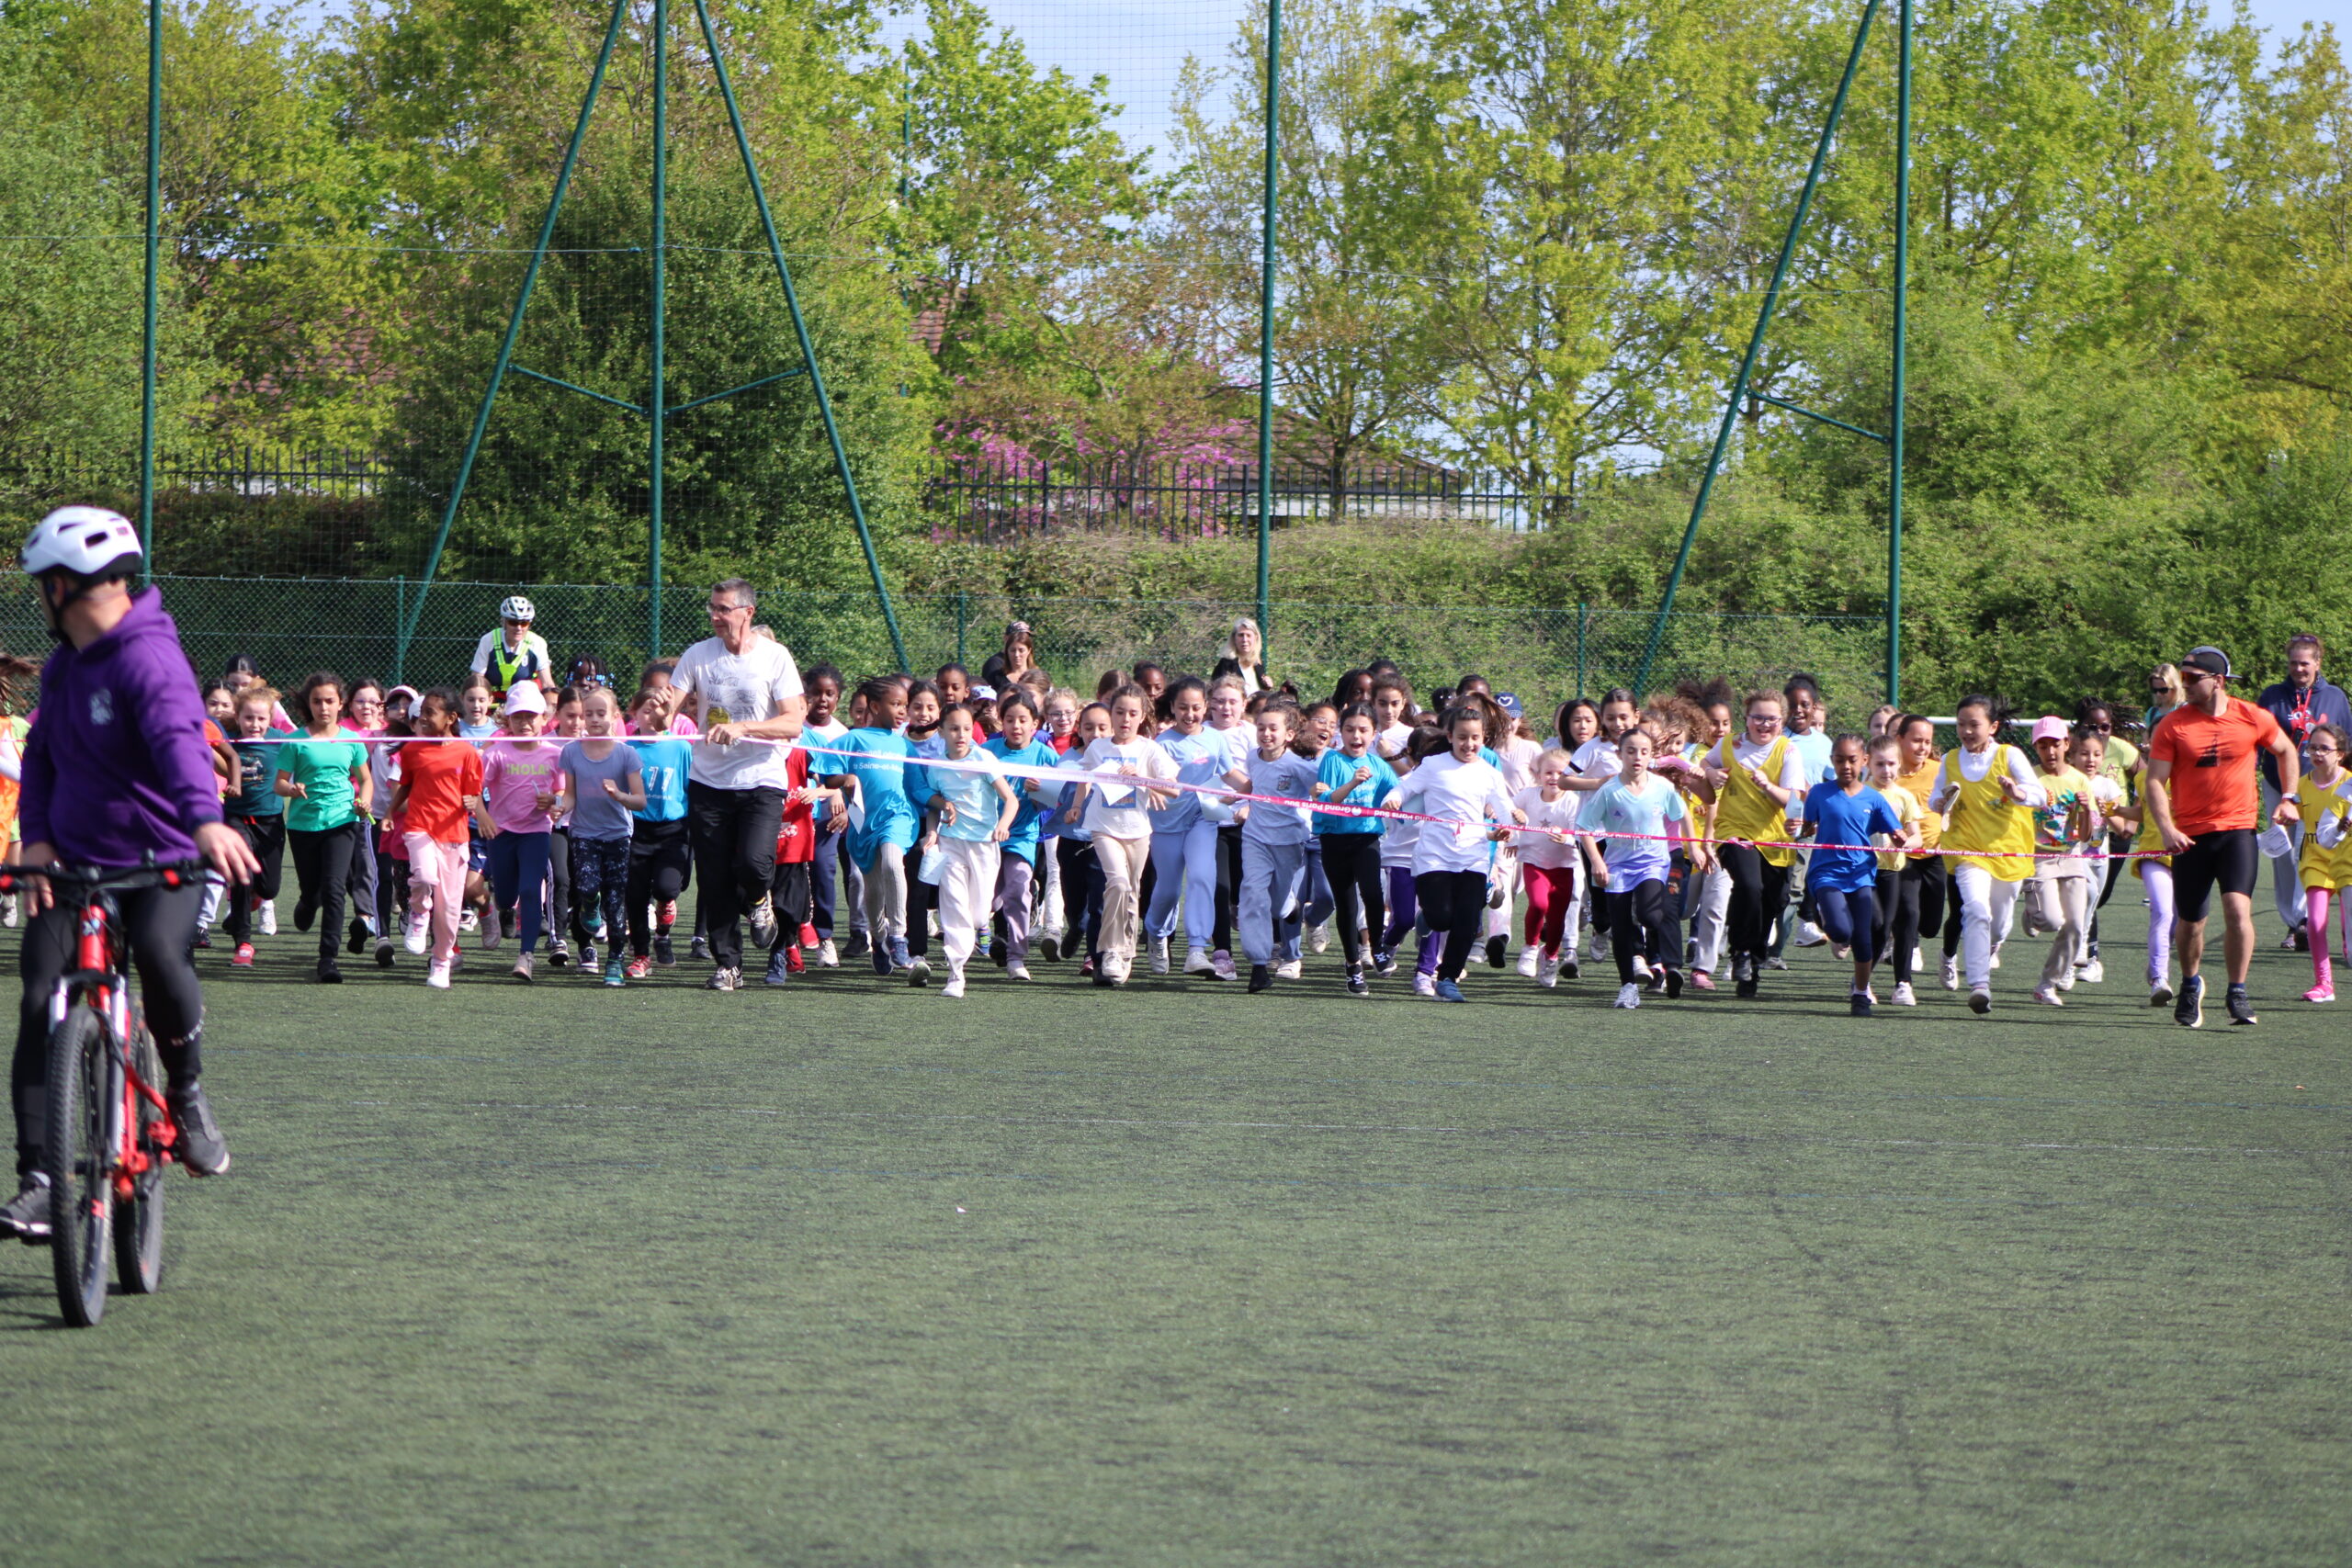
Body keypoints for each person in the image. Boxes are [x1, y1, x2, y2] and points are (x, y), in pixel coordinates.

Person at [4, 505, 257, 1240]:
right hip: (76, 863)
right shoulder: (62, 668)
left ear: (62, 586)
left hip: (164, 857)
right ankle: (42, 1178)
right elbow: (43, 757)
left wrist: (204, 819)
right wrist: (39, 841)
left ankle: (184, 1091)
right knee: (40, 995)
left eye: (41, 585)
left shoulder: (147, 657)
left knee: (156, 951)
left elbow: (180, 737)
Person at [2143, 645, 2300, 1027]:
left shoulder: (2251, 715)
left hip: (2237, 830)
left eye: (2193, 679)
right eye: (2183, 678)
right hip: (2191, 836)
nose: (2186, 685)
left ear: (2218, 681)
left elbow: (2286, 750)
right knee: (2192, 922)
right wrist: (2167, 828)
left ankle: (2237, 992)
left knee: (2237, 909)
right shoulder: (2173, 724)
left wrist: (2289, 798)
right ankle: (2191, 983)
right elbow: (2153, 782)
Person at [668, 580, 807, 991]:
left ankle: (760, 899)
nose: (715, 616)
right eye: (712, 608)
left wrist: (743, 727)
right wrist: (660, 708)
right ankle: (729, 965)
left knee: (753, 863)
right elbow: (667, 706)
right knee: (713, 880)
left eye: (724, 609)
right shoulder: (697, 655)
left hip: (761, 780)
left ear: (748, 612)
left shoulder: (775, 658)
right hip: (708, 782)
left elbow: (792, 722)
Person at [1388, 704, 1521, 1003]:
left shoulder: (1488, 772)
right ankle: (1430, 917)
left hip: (1472, 856)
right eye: (1462, 737)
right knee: (1441, 918)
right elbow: (1406, 787)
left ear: (1483, 737)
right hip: (1435, 855)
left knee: (1466, 920)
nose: (1469, 744)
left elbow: (1503, 809)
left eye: (1475, 737)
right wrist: (1393, 798)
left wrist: (1511, 829)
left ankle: (1447, 979)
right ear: (1450, 736)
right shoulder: (1434, 765)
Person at [1928, 695, 2046, 1015]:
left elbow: (2038, 794)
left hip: (2009, 853)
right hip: (1967, 852)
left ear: (1992, 727)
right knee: (1975, 911)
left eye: (1974, 724)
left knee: (1999, 924)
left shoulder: (2010, 756)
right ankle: (1980, 986)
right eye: (1961, 724)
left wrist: (2017, 793)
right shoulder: (1951, 759)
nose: (1966, 731)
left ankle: (1993, 946)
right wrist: (1939, 803)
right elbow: (1934, 798)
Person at [1069, 684, 1180, 987]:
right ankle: (1110, 951)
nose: (1125, 719)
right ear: (1111, 714)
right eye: (1119, 712)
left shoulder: (1149, 749)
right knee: (1116, 883)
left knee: (1131, 891)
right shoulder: (1099, 748)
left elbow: (1173, 788)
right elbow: (1085, 778)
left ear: (1142, 716)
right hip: (1103, 828)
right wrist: (1077, 806)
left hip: (1138, 831)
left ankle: (1127, 952)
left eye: (1132, 713)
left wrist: (1143, 779)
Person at [1799, 734, 1916, 1016]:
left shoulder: (1873, 798)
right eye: (1840, 760)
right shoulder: (1819, 793)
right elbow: (1807, 825)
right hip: (1826, 873)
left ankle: (1861, 993)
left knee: (1863, 938)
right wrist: (1802, 830)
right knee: (1840, 931)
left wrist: (1900, 838)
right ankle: (1821, 912)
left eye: (1852, 760)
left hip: (1861, 874)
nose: (1846, 766)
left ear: (1863, 761)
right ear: (1832, 762)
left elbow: (1895, 831)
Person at [1702, 692, 1805, 998]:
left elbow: (1794, 800)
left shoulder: (1788, 752)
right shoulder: (1730, 744)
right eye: (1757, 717)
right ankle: (1740, 952)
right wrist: (1710, 773)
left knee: (1772, 903)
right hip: (1735, 831)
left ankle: (1753, 964)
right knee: (1749, 886)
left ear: (1782, 720)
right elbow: (1707, 761)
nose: (1764, 724)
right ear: (1746, 717)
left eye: (1771, 719)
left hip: (1775, 838)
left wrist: (1768, 786)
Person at [1580, 725, 1690, 1009]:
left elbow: (1682, 814)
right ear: (1620, 754)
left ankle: (1660, 959)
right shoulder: (1609, 791)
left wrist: (1697, 847)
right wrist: (1597, 862)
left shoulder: (1662, 787)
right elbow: (1585, 829)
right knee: (1620, 927)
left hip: (1652, 863)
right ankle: (1628, 986)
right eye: (1630, 751)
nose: (1637, 757)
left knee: (1650, 916)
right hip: (1617, 867)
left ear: (1651, 755)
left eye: (1643, 752)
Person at [274, 671, 373, 985]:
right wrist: (290, 789)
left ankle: (327, 959)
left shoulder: (351, 740)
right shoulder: (295, 741)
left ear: (340, 703)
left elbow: (366, 780)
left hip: (342, 822)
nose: (323, 707)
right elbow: (279, 783)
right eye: (317, 701)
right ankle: (306, 902)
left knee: (334, 889)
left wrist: (364, 802)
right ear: (309, 704)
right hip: (303, 826)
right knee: (313, 890)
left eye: (329, 700)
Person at [2255, 635, 2352, 948]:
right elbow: (2256, 740)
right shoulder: (2272, 695)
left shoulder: (2335, 696)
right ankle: (2292, 921)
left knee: (2309, 846)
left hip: (2321, 786)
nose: (2299, 668)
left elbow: (2347, 742)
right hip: (2279, 783)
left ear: (2318, 663)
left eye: (2305, 663)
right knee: (2282, 851)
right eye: (2294, 662)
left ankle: (2305, 922)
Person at [919, 704, 1017, 999]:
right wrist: (932, 833)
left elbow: (1010, 800)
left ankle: (984, 922)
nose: (961, 735)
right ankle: (955, 974)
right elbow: (934, 807)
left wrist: (1002, 825)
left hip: (984, 845)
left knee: (976, 916)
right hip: (951, 845)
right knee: (954, 910)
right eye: (953, 729)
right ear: (942, 732)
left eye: (965, 728)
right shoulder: (937, 766)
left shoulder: (983, 758)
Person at [389, 689, 483, 989]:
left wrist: (473, 804)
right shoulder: (412, 749)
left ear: (451, 718)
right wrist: (390, 812)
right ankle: (418, 912)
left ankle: (441, 961)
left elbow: (473, 792)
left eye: (431, 712)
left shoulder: (466, 752)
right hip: (420, 827)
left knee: (449, 911)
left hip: (454, 835)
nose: (423, 717)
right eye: (421, 712)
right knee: (424, 877)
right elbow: (405, 786)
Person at [1222, 702, 1318, 993]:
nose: (1265, 733)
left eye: (1273, 728)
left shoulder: (1298, 766)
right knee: (1252, 894)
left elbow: (1321, 791)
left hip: (1289, 841)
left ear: (1289, 734)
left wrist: (1326, 792)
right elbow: (1253, 785)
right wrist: (1234, 798)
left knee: (1277, 905)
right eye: (1261, 727)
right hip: (1255, 839)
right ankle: (1259, 965)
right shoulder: (1253, 757)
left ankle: (1291, 907)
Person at [557, 686, 647, 987]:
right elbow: (569, 797)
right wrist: (556, 807)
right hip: (583, 834)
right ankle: (588, 906)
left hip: (618, 836)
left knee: (615, 901)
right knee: (586, 886)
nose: (594, 719)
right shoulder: (571, 751)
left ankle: (615, 960)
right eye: (588, 714)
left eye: (600, 713)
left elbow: (640, 801)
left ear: (615, 716)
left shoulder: (626, 754)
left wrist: (618, 794)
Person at [472, 681, 562, 982]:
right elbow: (473, 792)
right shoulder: (497, 753)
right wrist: (483, 816)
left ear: (543, 718)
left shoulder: (553, 754)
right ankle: (503, 910)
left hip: (537, 832)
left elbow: (562, 792)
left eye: (531, 716)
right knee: (506, 895)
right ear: (507, 720)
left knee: (529, 890)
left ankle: (526, 955)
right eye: (518, 717)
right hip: (501, 833)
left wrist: (553, 802)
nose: (525, 723)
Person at [1142, 677, 1228, 978]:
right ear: (1173, 708)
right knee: (1167, 890)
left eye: (1196, 708)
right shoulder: (1161, 744)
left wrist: (1258, 793)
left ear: (1206, 707)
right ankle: (1155, 934)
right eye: (1183, 708)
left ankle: (1196, 949)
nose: (1189, 714)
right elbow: (1154, 783)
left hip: (1201, 819)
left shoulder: (1216, 739)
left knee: (1203, 876)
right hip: (1165, 824)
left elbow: (1234, 777)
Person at [1312, 704, 1396, 997]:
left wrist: (1396, 801)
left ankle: (1378, 948)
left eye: (1363, 730)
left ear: (1374, 733)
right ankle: (1352, 965)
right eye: (1349, 729)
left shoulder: (1379, 766)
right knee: (1346, 906)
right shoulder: (1332, 760)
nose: (1356, 736)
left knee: (1373, 894)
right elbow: (1329, 800)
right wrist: (1353, 782)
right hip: (1334, 839)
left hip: (1366, 838)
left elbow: (1399, 794)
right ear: (1341, 732)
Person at [981, 690, 1056, 981]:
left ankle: (1016, 957)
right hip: (985, 835)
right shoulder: (987, 751)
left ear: (1034, 724)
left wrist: (1042, 794)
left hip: (1022, 835)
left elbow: (1060, 796)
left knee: (1017, 889)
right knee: (986, 899)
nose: (1016, 726)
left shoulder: (1045, 755)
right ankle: (981, 938)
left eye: (1023, 720)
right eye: (1009, 719)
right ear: (1001, 722)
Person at [222, 684, 290, 969]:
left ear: (271, 719)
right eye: (249, 718)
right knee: (241, 875)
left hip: (270, 820)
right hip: (235, 818)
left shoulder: (280, 740)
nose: (255, 725)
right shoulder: (228, 741)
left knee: (270, 887)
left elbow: (310, 744)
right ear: (237, 717)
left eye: (261, 719)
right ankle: (243, 942)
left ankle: (253, 898)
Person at [1864, 735, 1928, 1005]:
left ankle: (1902, 984)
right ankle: (1862, 981)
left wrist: (1904, 843)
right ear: (1868, 763)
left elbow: (1917, 837)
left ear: (1899, 764)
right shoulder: (1860, 793)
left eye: (1891, 763)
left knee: (1898, 922)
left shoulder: (1904, 797)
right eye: (1880, 764)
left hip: (1892, 870)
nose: (1886, 770)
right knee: (1877, 925)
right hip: (1863, 870)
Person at [2294, 722, 2350, 1001]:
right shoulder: (2303, 784)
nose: (2316, 753)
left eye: (2324, 748)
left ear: (2340, 753)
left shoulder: (2348, 783)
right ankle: (2324, 983)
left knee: (2347, 927)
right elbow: (2294, 814)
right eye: (2312, 747)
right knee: (2316, 922)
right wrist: (2284, 818)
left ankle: (2347, 950)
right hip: (2315, 861)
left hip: (2346, 862)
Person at [470, 594, 551, 701]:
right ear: (504, 622)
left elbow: (547, 683)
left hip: (525, 702)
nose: (519, 628)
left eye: (524, 623)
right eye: (513, 622)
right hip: (493, 701)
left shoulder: (537, 643)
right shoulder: (488, 640)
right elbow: (477, 680)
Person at [1211, 617, 1272, 695]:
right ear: (1234, 638)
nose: (1244, 639)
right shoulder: (1226, 665)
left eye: (1248, 635)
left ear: (1256, 638)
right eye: (1241, 635)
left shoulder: (1257, 665)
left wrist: (1267, 688)